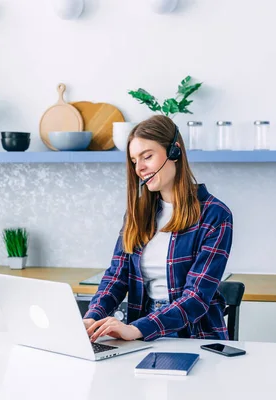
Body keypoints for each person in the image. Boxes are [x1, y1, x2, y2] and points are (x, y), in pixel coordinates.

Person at [83, 115, 233, 342]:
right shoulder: (138, 214)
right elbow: (117, 276)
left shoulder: (215, 214)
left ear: (175, 152)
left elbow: (196, 297)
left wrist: (136, 329)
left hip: (194, 335)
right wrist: (92, 318)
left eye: (147, 156)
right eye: (134, 161)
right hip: (142, 332)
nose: (140, 168)